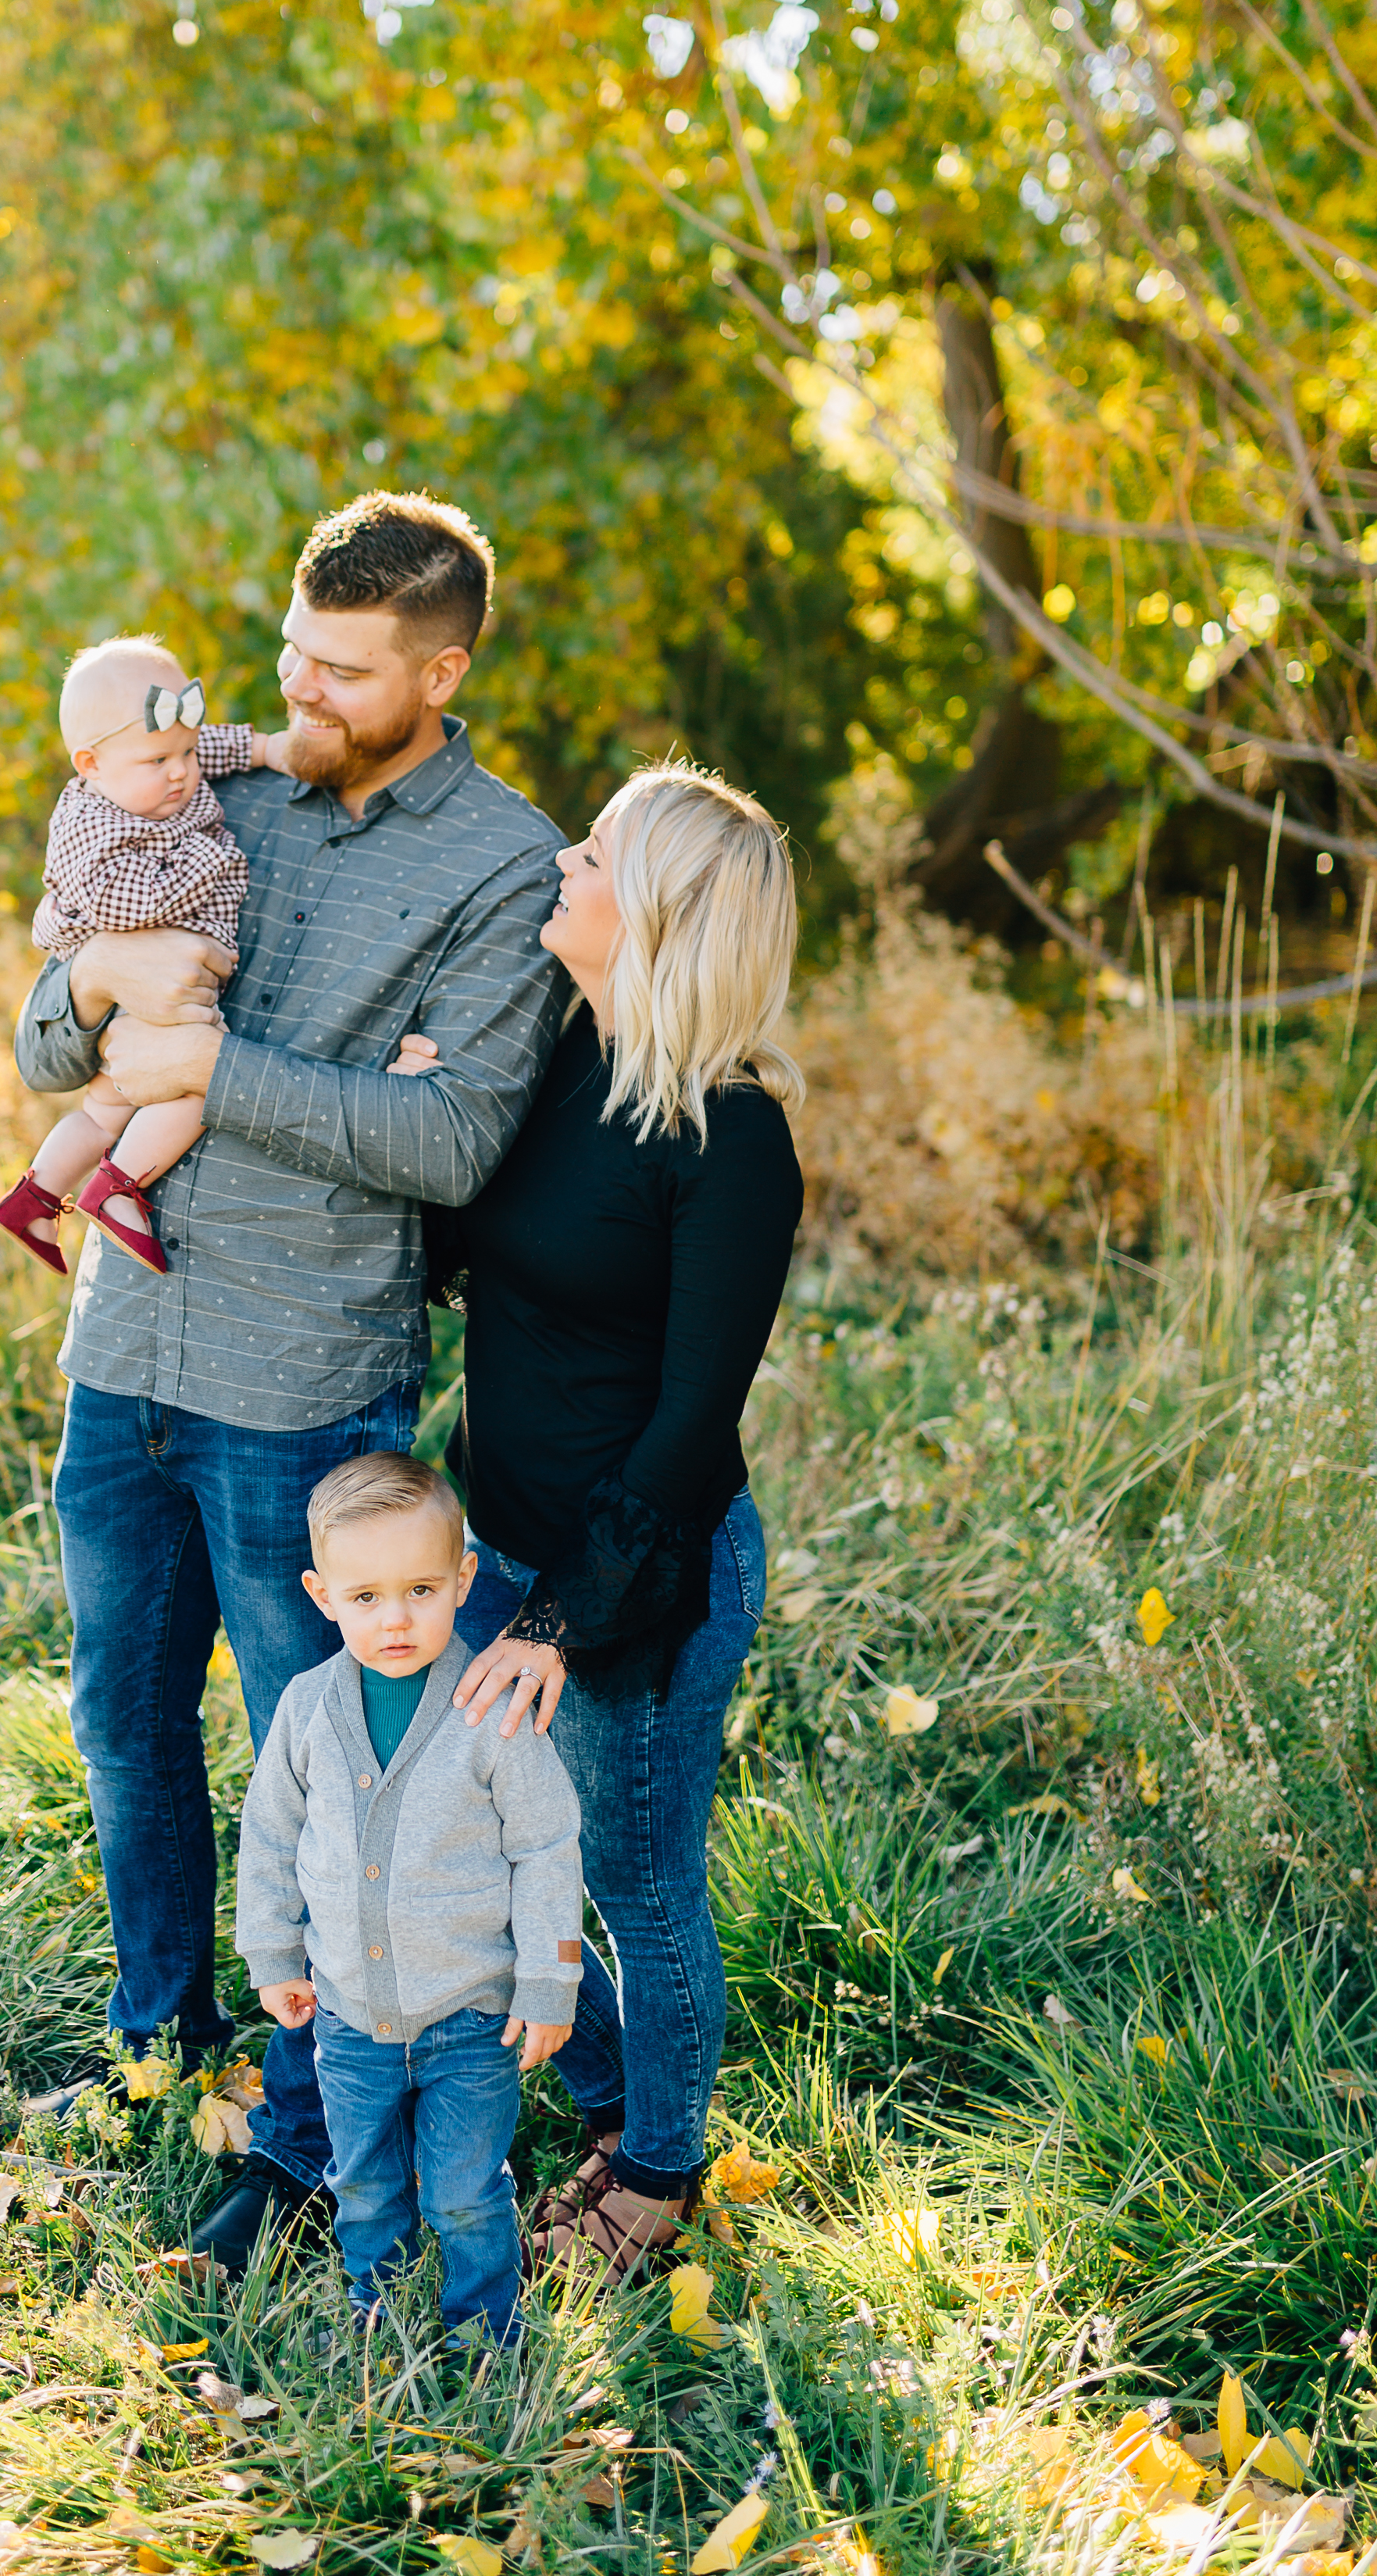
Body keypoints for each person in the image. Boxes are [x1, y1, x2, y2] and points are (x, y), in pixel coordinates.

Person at [12, 491, 566, 2271]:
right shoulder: (210, 782)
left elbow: (456, 1136)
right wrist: (97, 972)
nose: (294, 697)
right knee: (121, 1722)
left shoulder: (499, 862)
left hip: (303, 1383)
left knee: (326, 1768)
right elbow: (42, 1022)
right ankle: (161, 2043)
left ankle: (316, 2133)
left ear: (442, 665)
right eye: (288, 658)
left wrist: (216, 1064)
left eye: (342, 672)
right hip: (125, 1349)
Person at [433, 760, 804, 2278]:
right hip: (500, 1541)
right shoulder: (562, 1065)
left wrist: (551, 1620)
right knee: (483, 1839)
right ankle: (606, 2097)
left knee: (635, 1882)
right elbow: (470, 1246)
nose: (558, 869)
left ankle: (656, 2170)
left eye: (588, 855)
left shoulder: (735, 1138)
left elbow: (684, 1429)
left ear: (651, 910)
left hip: (636, 1580)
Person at [235, 1452, 580, 2347]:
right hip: (347, 2013)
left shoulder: (493, 1711)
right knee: (364, 2179)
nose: (395, 1619)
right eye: (366, 1598)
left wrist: (549, 1984)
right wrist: (273, 1955)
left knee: (465, 2188)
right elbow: (270, 1835)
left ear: (465, 1579)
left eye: (422, 1589)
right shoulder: (307, 1709)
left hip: (469, 2013)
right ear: (322, 1594)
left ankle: (483, 2329)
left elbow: (546, 1847)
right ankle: (376, 2308)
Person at [0, 637, 294, 1276]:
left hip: (154, 985)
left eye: (185, 751)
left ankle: (36, 1196)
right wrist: (212, 858)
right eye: (159, 758)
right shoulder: (93, 822)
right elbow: (124, 908)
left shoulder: (156, 772)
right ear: (90, 763)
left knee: (105, 1107)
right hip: (148, 985)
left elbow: (205, 746)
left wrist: (265, 749)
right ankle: (118, 1187)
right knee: (198, 1084)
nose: (182, 771)